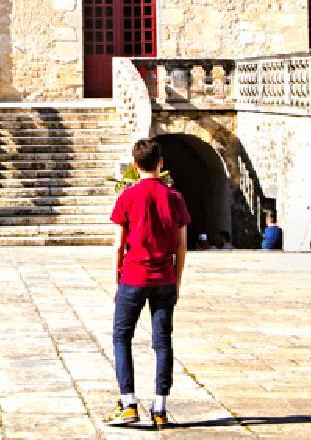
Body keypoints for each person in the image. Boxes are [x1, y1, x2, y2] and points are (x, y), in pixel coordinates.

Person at [105, 138, 190, 429]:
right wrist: (177, 280)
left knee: (121, 337)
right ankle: (160, 406)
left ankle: (128, 402)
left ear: (134, 164)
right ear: (161, 163)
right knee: (162, 342)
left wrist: (116, 279)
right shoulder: (175, 197)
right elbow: (181, 245)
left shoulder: (127, 197)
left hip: (133, 277)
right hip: (165, 277)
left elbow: (118, 245)